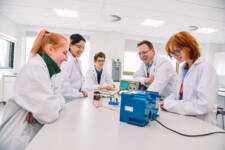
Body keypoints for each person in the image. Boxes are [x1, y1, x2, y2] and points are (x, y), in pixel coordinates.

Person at [0, 29, 69, 150]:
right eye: (64, 53)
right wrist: (45, 108)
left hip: (31, 134)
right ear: (50, 49)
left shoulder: (49, 71)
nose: (67, 58)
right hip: (17, 138)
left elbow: (60, 98)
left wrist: (39, 110)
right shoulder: (35, 67)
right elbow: (49, 113)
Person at [161, 31, 217, 125]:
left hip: (201, 124)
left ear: (189, 47)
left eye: (177, 51)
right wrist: (165, 102)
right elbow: (176, 95)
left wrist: (170, 105)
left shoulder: (205, 68)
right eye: (172, 53)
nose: (175, 56)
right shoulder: (184, 69)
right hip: (185, 121)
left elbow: (204, 105)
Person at [60, 34, 88, 102]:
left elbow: (82, 79)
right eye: (79, 46)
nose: (81, 50)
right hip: (68, 100)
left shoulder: (77, 60)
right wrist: (81, 94)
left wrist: (83, 89)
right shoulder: (67, 61)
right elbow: (64, 88)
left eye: (83, 47)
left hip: (76, 97)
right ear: (70, 45)